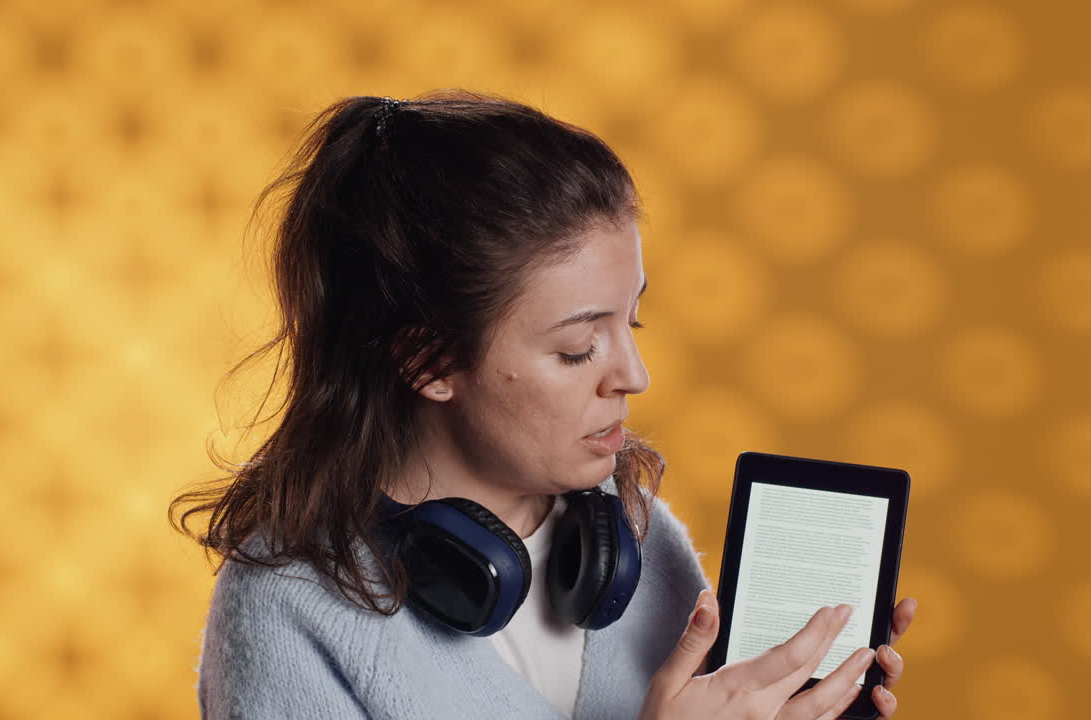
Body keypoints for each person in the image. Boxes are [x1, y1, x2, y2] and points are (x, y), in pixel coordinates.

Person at [170, 89, 915, 719]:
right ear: (428, 359)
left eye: (634, 321)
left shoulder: (642, 543)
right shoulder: (289, 610)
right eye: (576, 350)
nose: (635, 375)